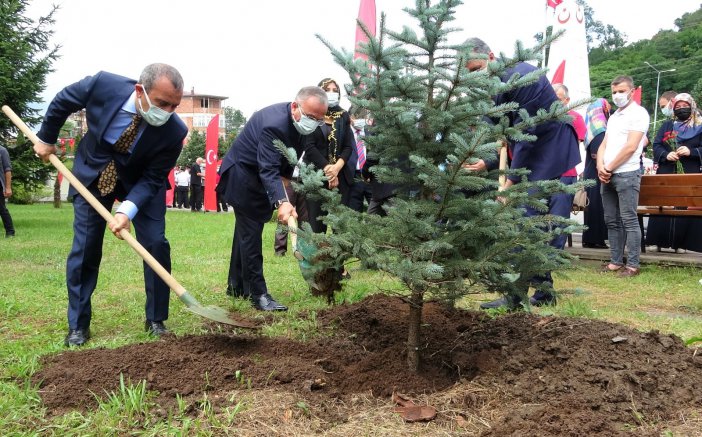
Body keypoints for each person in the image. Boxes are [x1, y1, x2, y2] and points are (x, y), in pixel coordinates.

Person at [33, 63, 188, 346]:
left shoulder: (174, 131)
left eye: (174, 106)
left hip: (141, 182)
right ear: (139, 90)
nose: (167, 112)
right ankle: (78, 325)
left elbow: (154, 176)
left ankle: (156, 319)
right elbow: (62, 101)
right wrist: (47, 138)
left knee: (155, 243)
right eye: (162, 103)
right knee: (86, 246)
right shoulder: (103, 85)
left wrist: (127, 210)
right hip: (94, 173)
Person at [465, 38, 581, 309]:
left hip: (549, 155)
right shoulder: (490, 85)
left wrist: (511, 181)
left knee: (525, 225)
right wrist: (486, 160)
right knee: (531, 225)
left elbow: (527, 133)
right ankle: (545, 293)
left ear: (491, 57)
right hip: (530, 153)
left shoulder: (523, 77)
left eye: (476, 69)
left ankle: (515, 297)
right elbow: (489, 124)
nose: (473, 76)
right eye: (468, 72)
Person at [218, 86, 328, 311]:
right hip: (242, 176)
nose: (314, 124)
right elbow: (268, 168)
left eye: (319, 120)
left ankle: (236, 285)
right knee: (251, 234)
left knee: (244, 232)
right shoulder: (274, 124)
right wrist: (282, 201)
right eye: (310, 117)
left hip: (257, 175)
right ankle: (258, 294)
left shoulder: (303, 125)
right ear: (295, 106)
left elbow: (289, 159)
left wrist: (286, 192)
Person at [597, 75, 650, 277]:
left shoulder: (639, 113)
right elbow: (604, 143)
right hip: (608, 174)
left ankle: (633, 265)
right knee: (611, 220)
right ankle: (615, 261)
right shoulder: (613, 116)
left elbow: (631, 147)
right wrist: (600, 165)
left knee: (629, 219)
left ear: (632, 90)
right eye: (614, 91)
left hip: (627, 173)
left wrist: (608, 167)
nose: (617, 95)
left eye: (621, 91)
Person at [645, 92, 702, 252]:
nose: (682, 109)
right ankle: (657, 241)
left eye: (685, 106)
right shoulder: (668, 125)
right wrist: (665, 154)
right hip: (667, 170)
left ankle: (681, 243)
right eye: (678, 106)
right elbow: (656, 145)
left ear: (692, 106)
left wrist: (692, 151)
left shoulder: (700, 125)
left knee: (684, 206)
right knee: (663, 204)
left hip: (689, 172)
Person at [303, 78, 354, 233]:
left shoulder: (343, 115)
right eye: (327, 89)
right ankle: (315, 257)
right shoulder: (311, 113)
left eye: (335, 90)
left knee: (340, 226)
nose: (332, 93)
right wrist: (328, 170)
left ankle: (339, 257)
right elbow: (309, 147)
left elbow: (348, 146)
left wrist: (336, 168)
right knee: (316, 224)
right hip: (316, 176)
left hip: (341, 177)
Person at [581, 98, 611, 249]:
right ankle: (596, 239)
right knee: (597, 206)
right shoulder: (600, 129)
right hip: (597, 172)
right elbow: (596, 154)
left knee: (593, 206)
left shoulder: (591, 127)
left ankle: (591, 238)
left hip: (592, 173)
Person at [347, 106, 373, 212]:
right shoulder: (345, 134)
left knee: (377, 213)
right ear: (350, 117)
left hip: (370, 178)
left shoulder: (371, 133)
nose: (359, 119)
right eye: (356, 116)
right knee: (353, 213)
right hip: (353, 178)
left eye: (363, 116)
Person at [0, 145, 15, 237]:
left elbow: (7, 170)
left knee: (1, 209)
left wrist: (8, 187)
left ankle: (10, 232)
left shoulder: (2, 150)